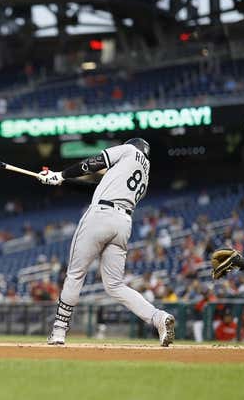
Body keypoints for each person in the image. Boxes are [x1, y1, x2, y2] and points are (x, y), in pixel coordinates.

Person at [37, 138, 175, 346]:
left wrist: (62, 174)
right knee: (115, 285)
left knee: (75, 273)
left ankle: (59, 331)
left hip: (100, 215)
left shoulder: (128, 150)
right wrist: (58, 179)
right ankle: (158, 318)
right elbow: (93, 185)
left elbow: (94, 162)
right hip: (123, 224)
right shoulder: (144, 177)